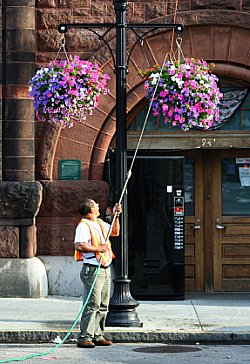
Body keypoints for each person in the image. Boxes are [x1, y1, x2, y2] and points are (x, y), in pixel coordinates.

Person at [74, 197, 122, 348]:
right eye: (96, 205)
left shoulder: (100, 223)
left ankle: (98, 335)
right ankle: (84, 337)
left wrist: (116, 216)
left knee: (103, 304)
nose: (98, 206)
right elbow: (79, 245)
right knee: (92, 303)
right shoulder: (84, 226)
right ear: (91, 210)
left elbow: (115, 232)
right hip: (93, 269)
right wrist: (98, 249)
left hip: (104, 268)